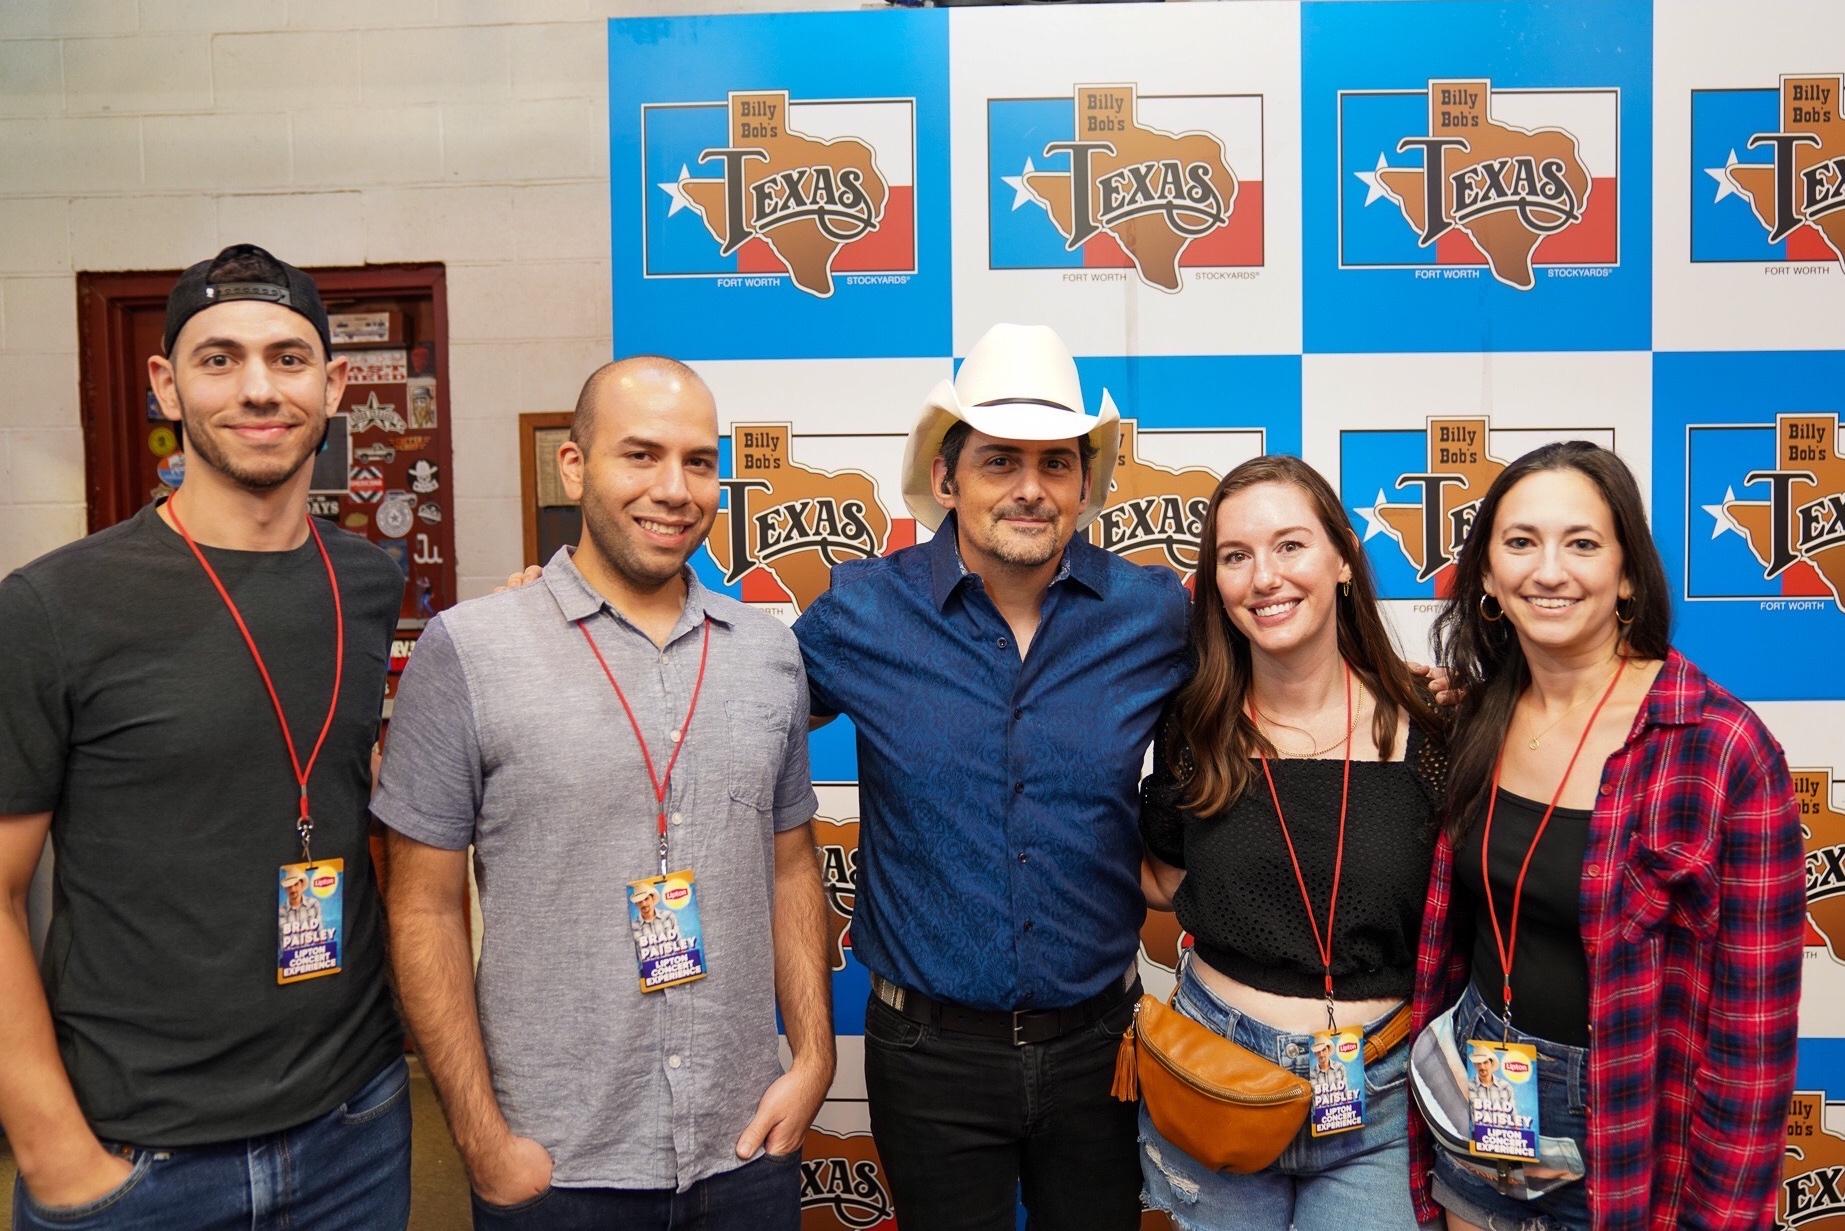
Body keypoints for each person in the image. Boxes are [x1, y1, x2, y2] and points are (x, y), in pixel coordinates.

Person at [0, 244, 410, 1229]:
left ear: (334, 382)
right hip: (138, 1155)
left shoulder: (369, 582)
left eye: (288, 357)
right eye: (219, 358)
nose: (258, 389)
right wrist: (54, 1149)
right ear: (167, 385)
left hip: (357, 1125)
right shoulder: (55, 606)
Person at [376, 356, 833, 1231]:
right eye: (641, 455)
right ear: (574, 466)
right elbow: (422, 907)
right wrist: (480, 1140)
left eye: (699, 461)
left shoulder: (766, 655)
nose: (674, 488)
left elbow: (790, 867)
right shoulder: (470, 651)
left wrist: (810, 1059)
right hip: (555, 1163)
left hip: (741, 1146)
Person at [792, 323, 1191, 1230]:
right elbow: (727, 704)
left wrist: (1409, 688)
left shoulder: (1151, 614)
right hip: (926, 1053)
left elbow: (1279, 692)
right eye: (999, 460)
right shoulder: (862, 610)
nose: (1029, 489)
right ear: (945, 477)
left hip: (1102, 1045)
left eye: (1056, 463)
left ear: (1084, 484)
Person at [1409, 441, 1803, 1230]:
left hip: (1625, 1127)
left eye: (1581, 543)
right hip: (1480, 1093)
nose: (1547, 570)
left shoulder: (1720, 748)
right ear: (1485, 574)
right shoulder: (1471, 716)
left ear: (1627, 573)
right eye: (1519, 542)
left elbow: (1752, 1047)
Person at [1137, 455, 1446, 1230]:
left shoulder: (1435, 728)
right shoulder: (1191, 725)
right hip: (1216, 1075)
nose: (1263, 577)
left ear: (1341, 557)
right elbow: (1170, 878)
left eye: (1289, 545)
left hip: (1377, 1093)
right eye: (1234, 557)